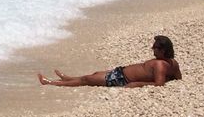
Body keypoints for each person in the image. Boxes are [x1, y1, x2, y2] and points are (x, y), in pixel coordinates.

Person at [37, 36, 181, 88]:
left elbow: (159, 84)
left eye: (155, 47)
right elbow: (177, 77)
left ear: (163, 50)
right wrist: (169, 78)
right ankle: (67, 78)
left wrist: (138, 84)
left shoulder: (160, 65)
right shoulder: (172, 62)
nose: (152, 49)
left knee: (88, 79)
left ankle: (50, 82)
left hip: (121, 79)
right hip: (120, 73)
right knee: (95, 74)